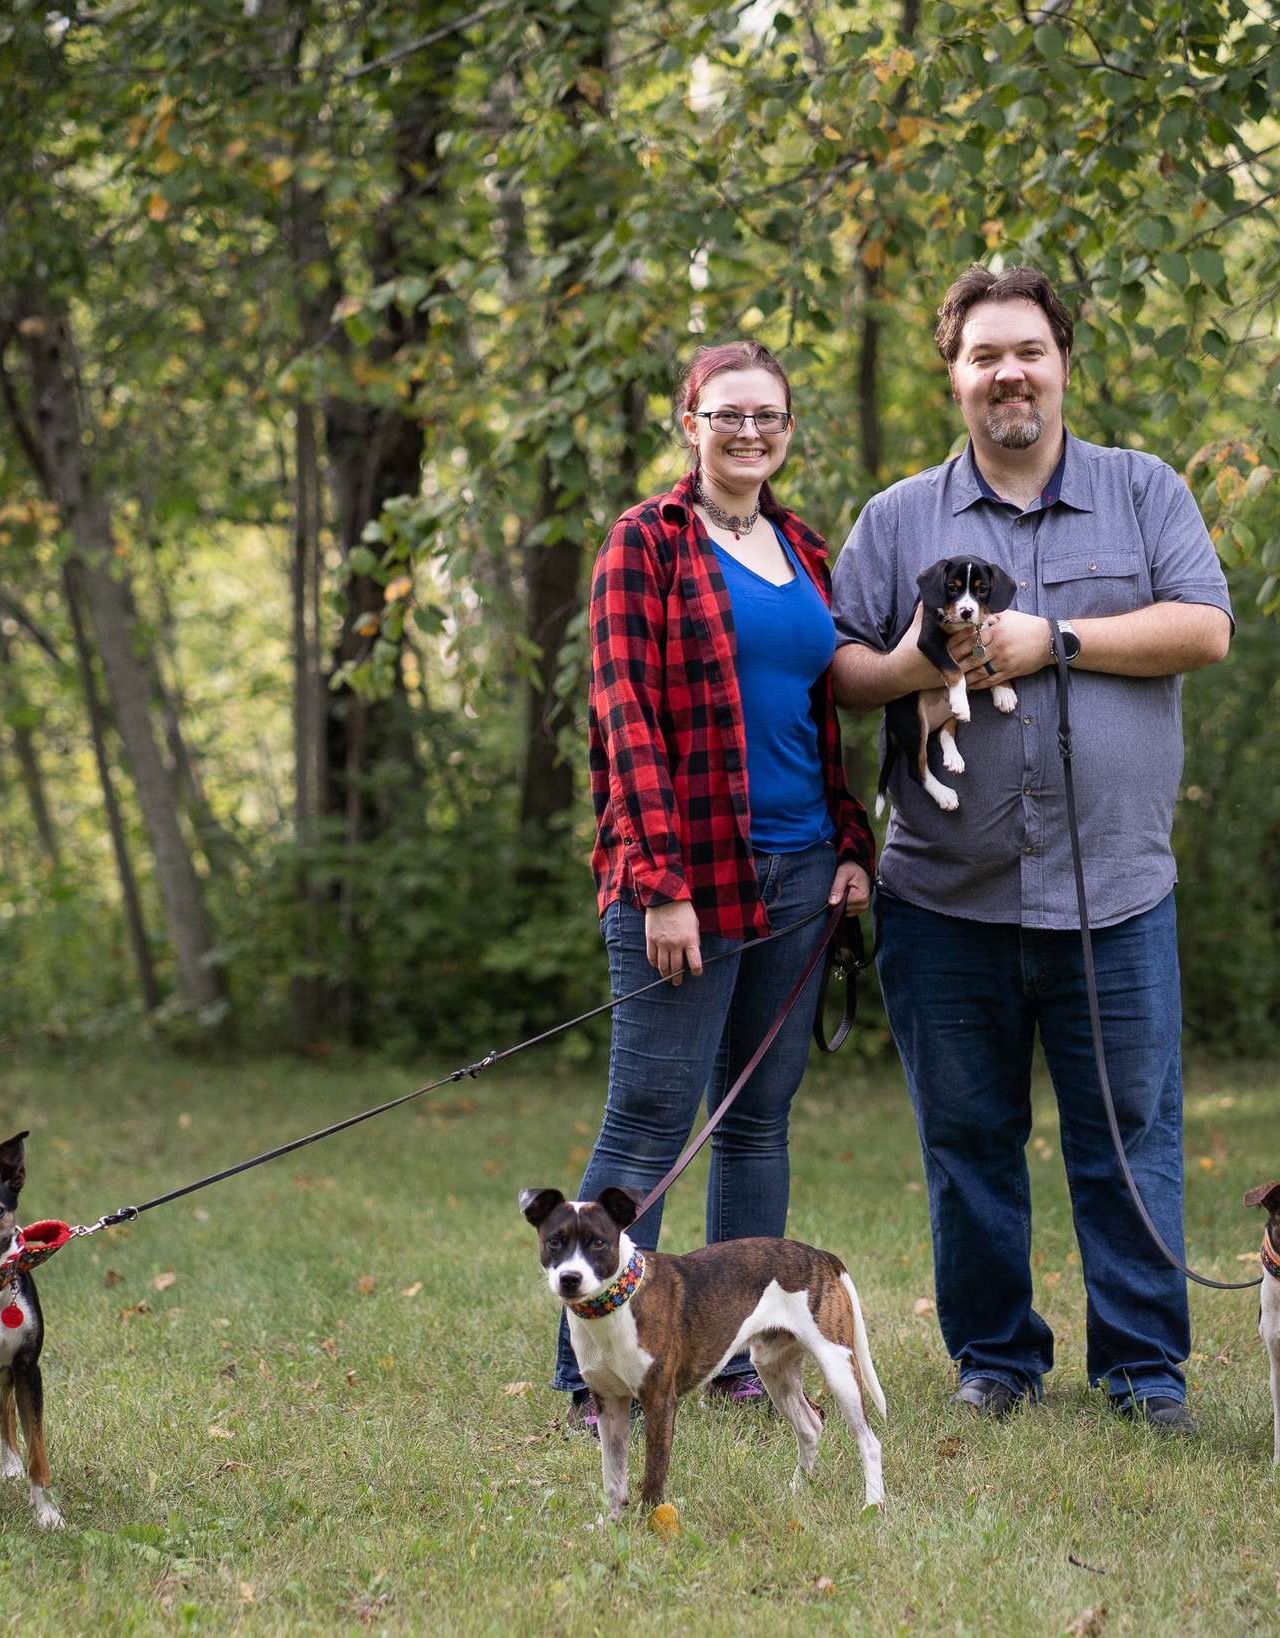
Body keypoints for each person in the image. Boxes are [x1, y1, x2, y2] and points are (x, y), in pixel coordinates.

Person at [830, 265, 1233, 1428]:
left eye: (1028, 351)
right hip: (941, 900)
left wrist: (1047, 637)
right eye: (982, 355)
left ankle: (1142, 1370)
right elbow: (845, 669)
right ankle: (994, 1361)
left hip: (1113, 891)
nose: (1008, 372)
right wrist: (928, 665)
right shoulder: (899, 515)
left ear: (1062, 362)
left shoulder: (1142, 491)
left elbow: (1203, 627)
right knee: (966, 1142)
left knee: (1128, 1138)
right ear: (952, 375)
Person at [554, 339, 875, 1432]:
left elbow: (818, 716)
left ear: (788, 427)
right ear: (687, 420)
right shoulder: (642, 543)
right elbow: (622, 716)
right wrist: (657, 883)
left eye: (769, 416)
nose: (749, 432)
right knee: (649, 1118)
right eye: (726, 414)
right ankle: (590, 1372)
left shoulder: (804, 545)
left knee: (754, 1118)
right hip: (687, 874)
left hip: (797, 875)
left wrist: (847, 844)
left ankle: (734, 1355)